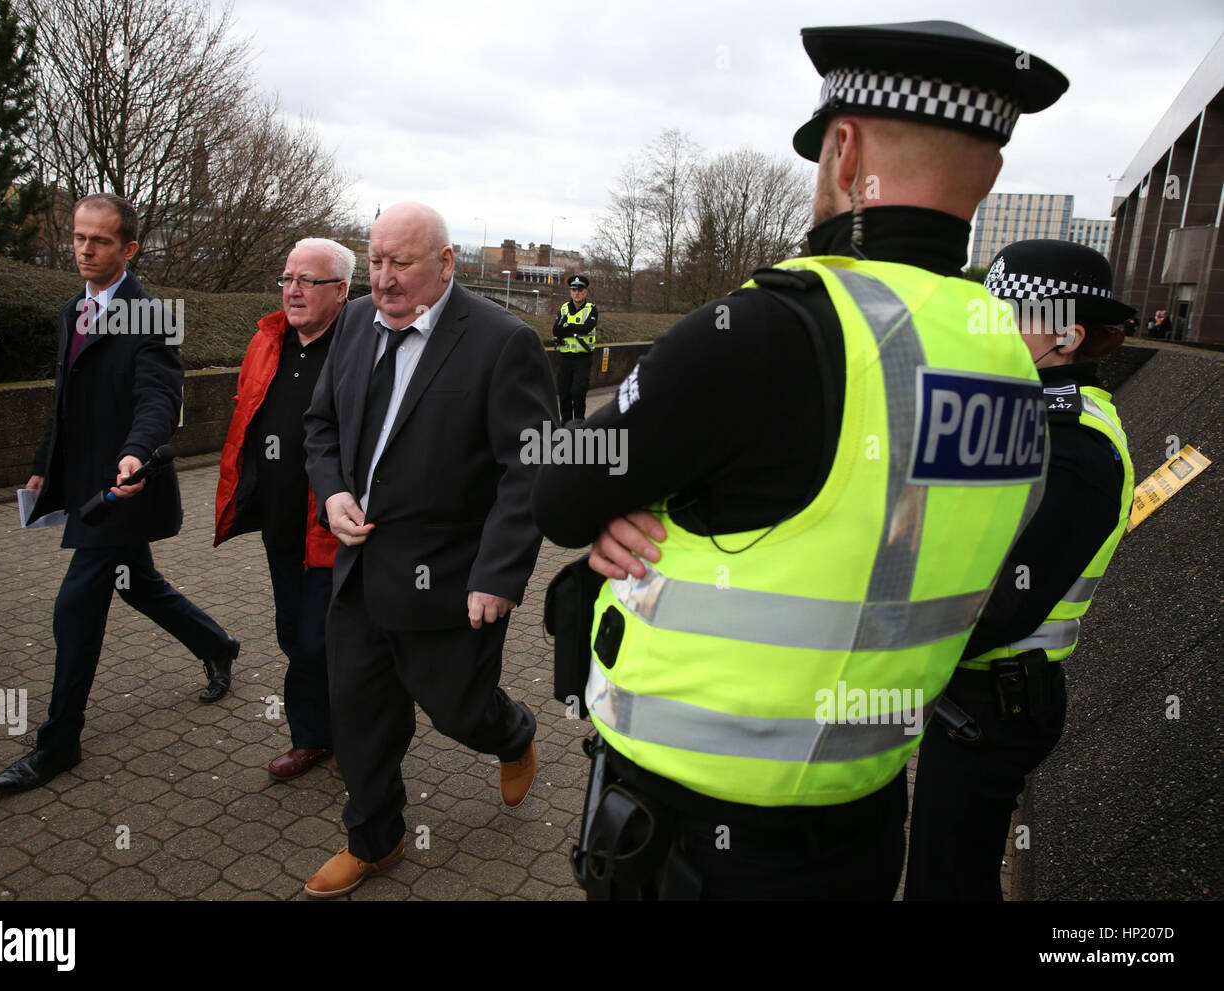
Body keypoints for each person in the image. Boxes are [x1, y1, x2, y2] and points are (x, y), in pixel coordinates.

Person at [532, 19, 1069, 900]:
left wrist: (638, 510)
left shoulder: (770, 329)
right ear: (993, 174)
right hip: (861, 817)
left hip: (691, 829)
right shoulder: (1009, 359)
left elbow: (560, 495)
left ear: (844, 152)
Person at [300, 202, 558, 897]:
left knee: (458, 711)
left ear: (445, 263)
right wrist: (331, 494)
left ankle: (512, 733)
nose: (382, 279)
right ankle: (374, 839)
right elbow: (321, 424)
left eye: (401, 263)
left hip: (450, 584)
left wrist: (499, 574)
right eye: (375, 261)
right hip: (358, 576)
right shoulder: (353, 322)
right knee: (359, 717)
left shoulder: (502, 343)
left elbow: (528, 469)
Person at [0, 194, 240, 796]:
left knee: (74, 609)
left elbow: (159, 394)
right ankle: (218, 643)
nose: (83, 249)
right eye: (78, 237)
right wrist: (43, 466)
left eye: (98, 241)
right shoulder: (73, 307)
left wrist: (139, 450)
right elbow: (64, 400)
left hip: (124, 488)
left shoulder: (149, 314)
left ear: (128, 249)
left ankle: (59, 743)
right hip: (86, 485)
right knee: (139, 584)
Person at [904, 239, 1135, 900]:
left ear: (1067, 333)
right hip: (971, 689)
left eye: (1009, 312)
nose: (987, 325)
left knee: (946, 884)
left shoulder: (1079, 445)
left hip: (995, 701)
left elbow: (1004, 603)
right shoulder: (1024, 416)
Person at [214, 238, 350, 781]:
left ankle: (358, 734)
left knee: (328, 637)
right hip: (280, 518)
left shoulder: (361, 349)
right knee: (294, 632)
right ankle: (313, 737)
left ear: (340, 291)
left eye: (307, 281)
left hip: (335, 524)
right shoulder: (265, 341)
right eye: (288, 278)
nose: (293, 290)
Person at [552, 274, 597, 424]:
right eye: (574, 290)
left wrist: (567, 327)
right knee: (564, 394)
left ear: (586, 292)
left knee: (578, 392)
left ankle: (578, 424)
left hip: (583, 358)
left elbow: (586, 328)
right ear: (570, 292)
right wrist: (574, 331)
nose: (577, 292)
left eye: (580, 289)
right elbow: (556, 330)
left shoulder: (591, 309)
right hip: (566, 357)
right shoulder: (564, 308)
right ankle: (565, 425)